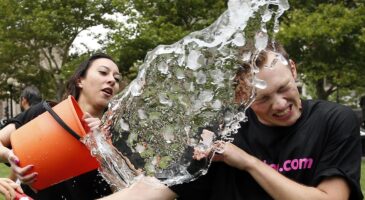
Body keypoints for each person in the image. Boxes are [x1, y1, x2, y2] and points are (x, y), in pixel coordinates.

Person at [100, 42, 363, 200]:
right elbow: (161, 187)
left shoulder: (334, 120)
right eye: (263, 99)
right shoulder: (224, 131)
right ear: (241, 96)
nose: (281, 104)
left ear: (293, 69)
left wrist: (248, 163)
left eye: (284, 88)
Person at [0, 53, 121, 199]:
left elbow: (129, 190)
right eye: (103, 72)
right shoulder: (47, 113)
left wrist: (104, 146)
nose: (112, 80)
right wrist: (11, 157)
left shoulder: (117, 138)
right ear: (80, 80)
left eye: (117, 78)